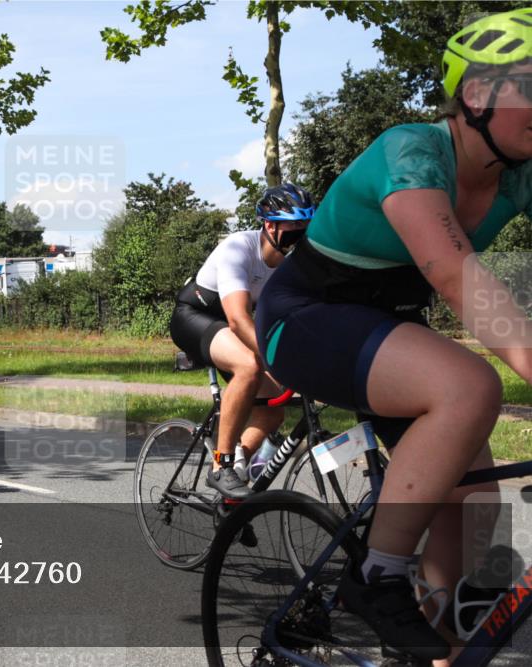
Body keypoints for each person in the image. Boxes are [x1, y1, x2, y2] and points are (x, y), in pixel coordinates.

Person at [254, 8, 531, 662]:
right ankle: (377, 576)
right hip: (305, 318)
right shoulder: (412, 150)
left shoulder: (518, 174)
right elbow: (458, 279)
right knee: (469, 386)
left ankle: (436, 642)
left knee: (474, 500)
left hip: (387, 328)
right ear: (476, 94)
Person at [170, 183, 314, 499]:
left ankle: (236, 473)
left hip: (229, 328)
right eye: (294, 227)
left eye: (305, 228)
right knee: (249, 365)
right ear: (270, 226)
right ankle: (220, 465)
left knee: (273, 410)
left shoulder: (290, 266)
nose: (299, 236)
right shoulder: (239, 248)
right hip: (195, 317)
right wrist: (273, 358)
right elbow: (237, 319)